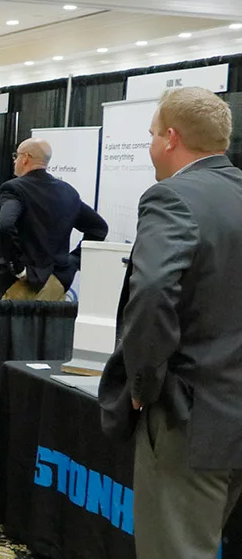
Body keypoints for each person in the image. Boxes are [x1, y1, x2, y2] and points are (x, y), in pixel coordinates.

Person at [98, 87, 242, 559]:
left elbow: (154, 291)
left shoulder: (171, 197)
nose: (151, 145)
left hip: (188, 415)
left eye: (152, 134)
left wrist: (143, 381)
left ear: (171, 138)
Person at [0, 137, 109, 300]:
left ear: (25, 158)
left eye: (16, 156)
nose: (15, 161)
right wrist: (73, 262)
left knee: (13, 326)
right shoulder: (68, 192)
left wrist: (18, 268)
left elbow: (5, 226)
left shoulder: (14, 188)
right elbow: (99, 228)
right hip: (57, 282)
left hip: (22, 285)